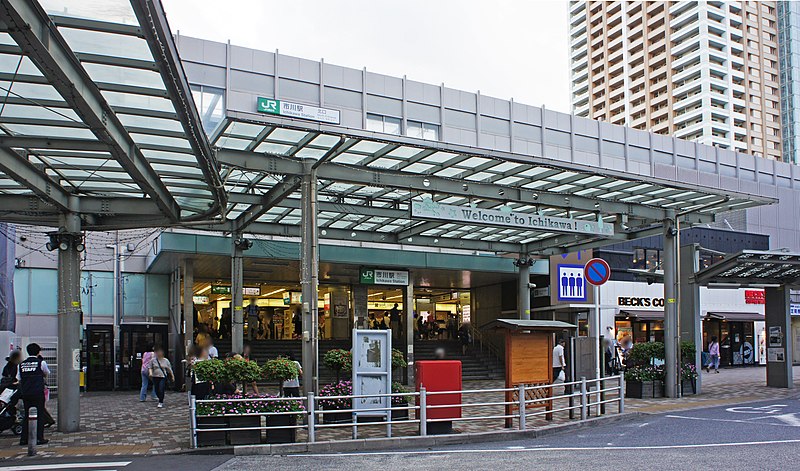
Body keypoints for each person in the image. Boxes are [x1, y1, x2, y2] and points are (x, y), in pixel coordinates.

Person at [18, 343, 49, 445]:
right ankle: (39, 438)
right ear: (38, 352)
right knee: (39, 414)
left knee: (27, 415)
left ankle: (24, 438)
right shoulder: (41, 363)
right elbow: (46, 373)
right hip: (37, 392)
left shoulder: (21, 364)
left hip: (26, 392)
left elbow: (18, 378)